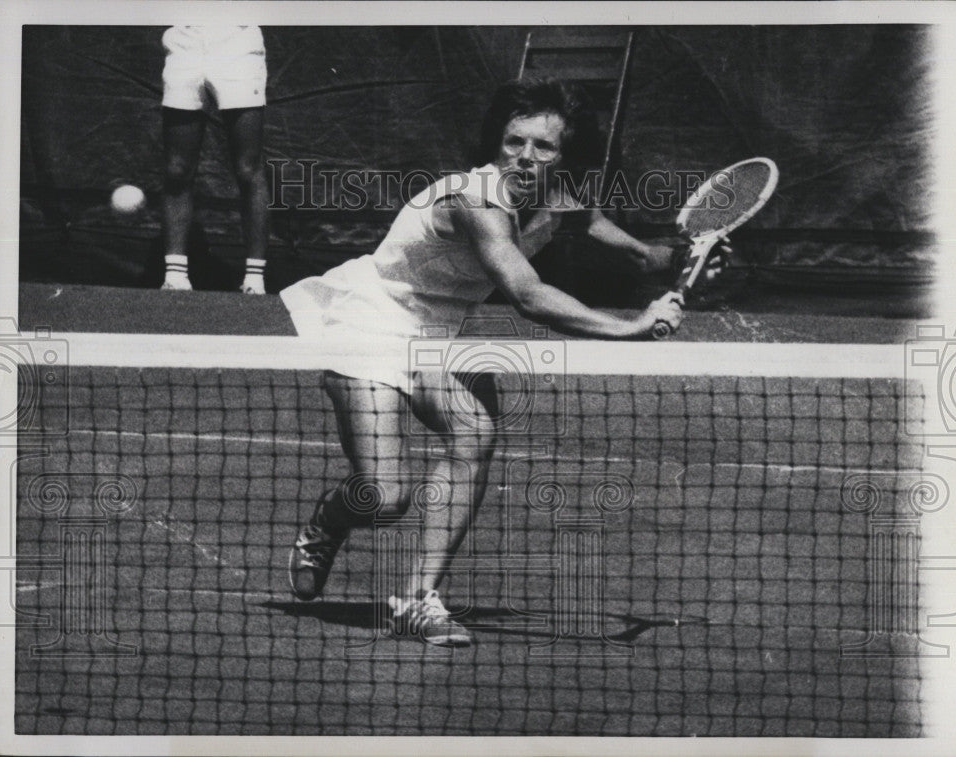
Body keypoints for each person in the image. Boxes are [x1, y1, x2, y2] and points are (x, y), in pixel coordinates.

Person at [281, 78, 714, 647]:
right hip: (371, 319)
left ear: (564, 157)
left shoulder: (561, 198)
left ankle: (417, 599)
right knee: (384, 497)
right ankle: (328, 522)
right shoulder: (475, 198)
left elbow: (641, 255)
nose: (525, 158)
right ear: (496, 142)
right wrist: (631, 327)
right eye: (514, 142)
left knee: (474, 436)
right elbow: (526, 294)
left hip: (442, 331)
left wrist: (687, 258)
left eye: (544, 147)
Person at [160, 25, 269, 294]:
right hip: (184, 43)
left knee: (248, 168)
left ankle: (254, 280)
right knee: (177, 168)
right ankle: (175, 276)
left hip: (239, 44)